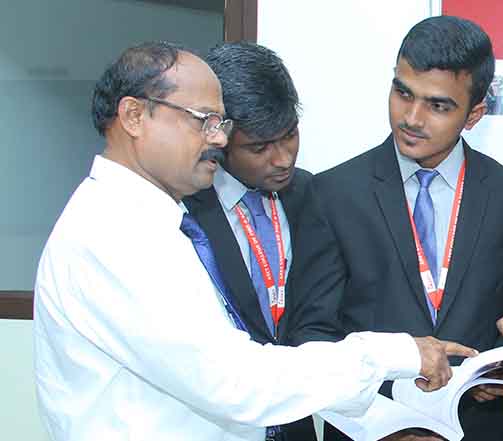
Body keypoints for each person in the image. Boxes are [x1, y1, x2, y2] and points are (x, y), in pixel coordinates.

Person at [33, 41, 473, 441]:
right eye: (205, 121)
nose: (219, 139)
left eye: (221, 123)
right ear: (134, 116)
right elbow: (233, 382)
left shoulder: (151, 221)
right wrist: (394, 353)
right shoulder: (116, 234)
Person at [287, 16, 503, 441]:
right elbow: (311, 333)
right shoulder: (333, 193)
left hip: (474, 427)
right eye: (403, 92)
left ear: (474, 114)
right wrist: (381, 418)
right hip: (367, 430)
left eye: (438, 106)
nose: (411, 117)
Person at [178, 41, 317, 440]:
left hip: (298, 423)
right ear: (218, 138)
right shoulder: (184, 210)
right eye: (259, 147)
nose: (283, 159)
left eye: (289, 136)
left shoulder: (311, 195)